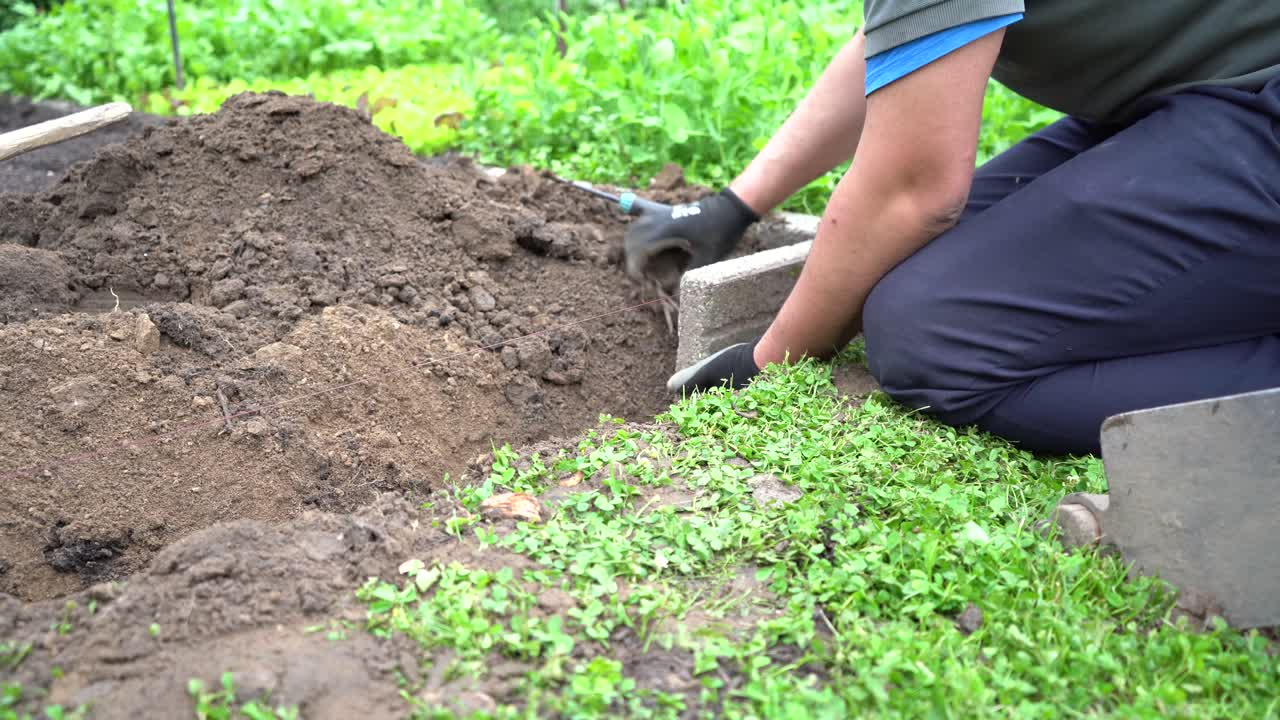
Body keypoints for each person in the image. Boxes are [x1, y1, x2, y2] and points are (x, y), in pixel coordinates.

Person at [624, 1, 1280, 456]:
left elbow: (914, 194)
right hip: (1201, 95)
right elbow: (906, 36)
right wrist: (735, 206)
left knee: (935, 342)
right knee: (923, 264)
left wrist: (771, 362)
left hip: (1254, 107)